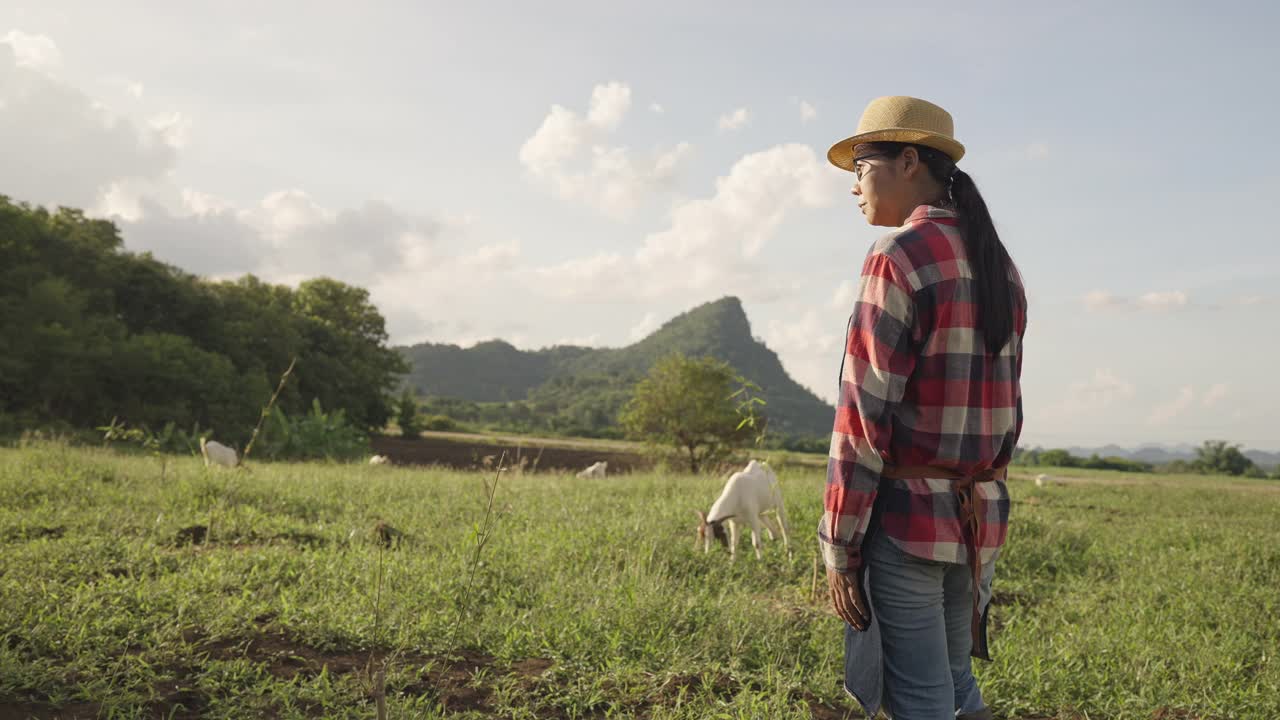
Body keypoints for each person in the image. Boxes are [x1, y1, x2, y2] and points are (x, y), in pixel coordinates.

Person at [819, 96, 1027, 720]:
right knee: (957, 688)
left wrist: (839, 546)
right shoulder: (1001, 267)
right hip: (976, 524)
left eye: (861, 165)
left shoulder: (898, 256)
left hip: (908, 525)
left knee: (920, 702)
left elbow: (862, 420)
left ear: (908, 161)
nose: (853, 186)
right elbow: (1007, 414)